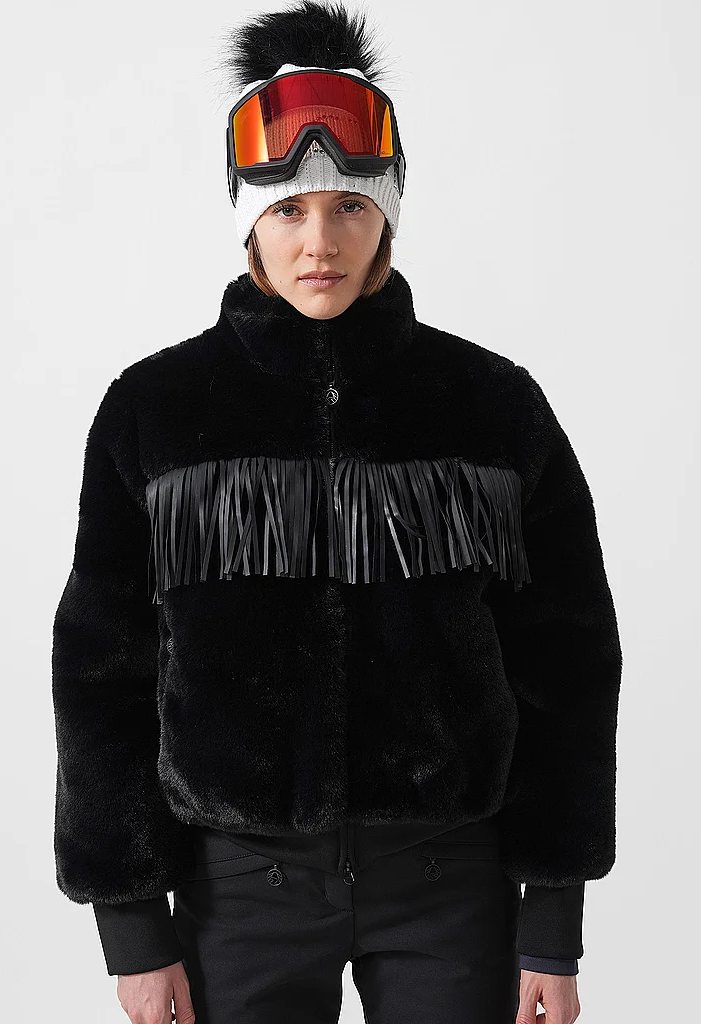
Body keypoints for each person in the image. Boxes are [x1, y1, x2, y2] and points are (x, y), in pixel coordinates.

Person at [50, 3, 622, 1023]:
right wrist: (133, 925)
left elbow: (569, 661)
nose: (321, 241)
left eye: (351, 207)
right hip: (239, 891)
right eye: (290, 211)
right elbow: (102, 674)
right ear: (249, 220)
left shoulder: (494, 406)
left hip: (453, 883)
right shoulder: (154, 412)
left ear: (388, 215)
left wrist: (552, 918)